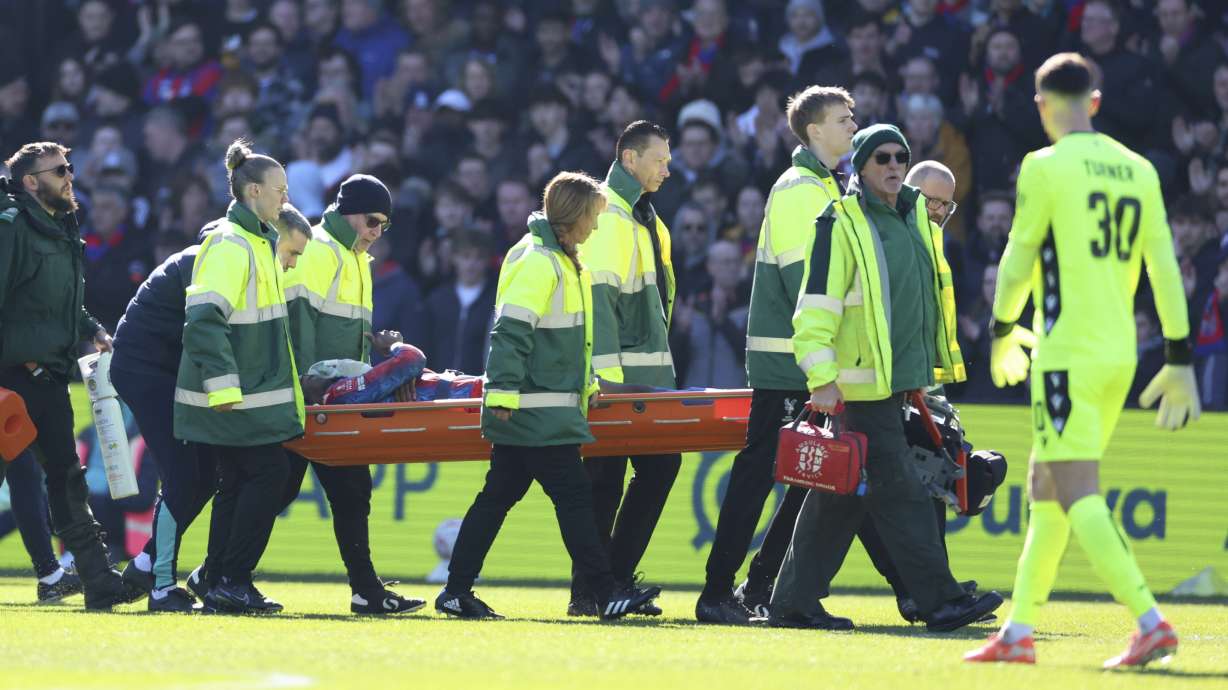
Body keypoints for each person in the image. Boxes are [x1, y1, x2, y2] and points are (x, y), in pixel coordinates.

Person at [965, 53, 1199, 669]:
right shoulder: (1139, 168)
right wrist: (1179, 357)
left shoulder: (1045, 166)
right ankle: (1018, 631)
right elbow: (1165, 268)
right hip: (1121, 353)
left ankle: (1149, 621)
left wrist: (1002, 328)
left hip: (1065, 351)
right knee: (1046, 487)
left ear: (1042, 106)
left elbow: (1018, 253)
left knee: (1076, 491)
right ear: (1094, 102)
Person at [775, 123, 1002, 632]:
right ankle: (939, 599)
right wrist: (820, 376)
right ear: (859, 166)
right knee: (901, 491)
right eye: (881, 157)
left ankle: (792, 603)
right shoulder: (840, 221)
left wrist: (921, 373)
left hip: (896, 383)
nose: (894, 165)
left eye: (900, 156)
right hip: (858, 388)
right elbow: (815, 309)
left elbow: (919, 299)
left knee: (838, 498)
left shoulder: (915, 215)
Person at [435, 171, 661, 620]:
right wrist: (500, 395)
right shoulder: (543, 261)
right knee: (575, 498)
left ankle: (457, 590)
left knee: (497, 498)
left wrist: (586, 387)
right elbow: (511, 334)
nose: (596, 227)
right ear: (574, 217)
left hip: (533, 409)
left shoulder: (551, 257)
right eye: (593, 217)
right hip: (536, 413)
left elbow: (560, 343)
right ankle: (603, 590)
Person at [695, 86, 856, 625]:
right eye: (842, 118)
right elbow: (807, 285)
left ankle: (755, 585)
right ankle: (719, 593)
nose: (852, 125)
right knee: (759, 479)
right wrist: (823, 365)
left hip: (801, 360)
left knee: (806, 481)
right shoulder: (800, 190)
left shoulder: (822, 186)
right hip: (793, 362)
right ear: (814, 131)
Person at [114, 205, 312, 613]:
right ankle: (161, 584)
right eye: (291, 254)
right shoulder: (224, 257)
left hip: (175, 369)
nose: (292, 266)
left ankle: (149, 564)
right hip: (148, 369)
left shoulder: (236, 257)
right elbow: (210, 334)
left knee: (206, 477)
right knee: (185, 476)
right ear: (270, 239)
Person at [0, 141, 138, 610]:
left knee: (66, 480)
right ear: (31, 182)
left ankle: (99, 583)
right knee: (60, 479)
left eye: (70, 167)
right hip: (11, 377)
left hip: (48, 377)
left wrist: (93, 328)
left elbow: (59, 304)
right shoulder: (13, 228)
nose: (69, 175)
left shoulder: (60, 228)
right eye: (59, 169)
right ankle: (90, 578)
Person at [279, 174, 426, 615]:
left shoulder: (355, 257)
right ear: (350, 213)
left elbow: (333, 329)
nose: (378, 230)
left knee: (344, 491)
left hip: (336, 399)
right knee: (286, 490)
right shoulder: (322, 250)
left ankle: (366, 588)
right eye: (372, 220)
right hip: (316, 399)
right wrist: (301, 387)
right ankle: (217, 573)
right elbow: (297, 319)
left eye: (385, 224)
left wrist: (373, 344)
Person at [174, 139, 305, 614]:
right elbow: (205, 319)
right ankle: (232, 578)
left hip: (245, 393)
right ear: (253, 191)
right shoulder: (233, 244)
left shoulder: (257, 242)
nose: (284, 200)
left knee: (236, 481)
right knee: (270, 472)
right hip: (234, 396)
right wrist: (223, 387)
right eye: (279, 191)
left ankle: (216, 578)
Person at [568, 120, 677, 617]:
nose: (667, 169)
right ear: (629, 160)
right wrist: (605, 381)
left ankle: (601, 586)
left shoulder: (644, 218)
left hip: (643, 376)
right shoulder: (612, 216)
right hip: (620, 380)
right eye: (659, 159)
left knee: (616, 478)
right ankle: (599, 587)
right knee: (612, 478)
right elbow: (600, 304)